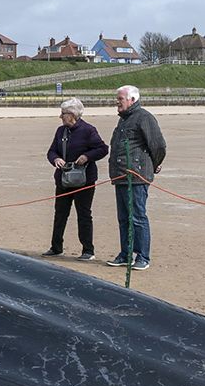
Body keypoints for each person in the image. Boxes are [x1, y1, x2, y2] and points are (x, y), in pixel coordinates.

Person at [106, 85, 165, 270]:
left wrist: (153, 166)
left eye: (120, 99)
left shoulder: (144, 117)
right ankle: (125, 254)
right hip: (120, 176)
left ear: (132, 100)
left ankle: (142, 257)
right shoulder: (123, 120)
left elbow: (158, 146)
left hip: (136, 177)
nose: (117, 102)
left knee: (137, 217)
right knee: (123, 218)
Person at [42, 97, 107, 260]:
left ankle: (88, 251)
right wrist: (55, 159)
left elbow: (102, 149)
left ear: (72, 115)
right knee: (60, 213)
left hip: (84, 180)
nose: (60, 116)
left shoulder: (88, 130)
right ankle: (56, 247)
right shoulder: (60, 131)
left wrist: (87, 156)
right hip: (64, 180)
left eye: (63, 113)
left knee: (84, 214)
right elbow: (51, 151)